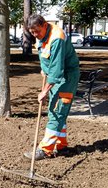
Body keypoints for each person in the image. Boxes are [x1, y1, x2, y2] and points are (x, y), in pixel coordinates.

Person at [24, 15, 80, 160]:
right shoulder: (41, 35)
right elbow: (45, 54)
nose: (35, 35)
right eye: (32, 33)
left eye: (37, 31)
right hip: (57, 77)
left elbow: (57, 70)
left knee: (57, 112)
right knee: (56, 111)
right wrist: (44, 69)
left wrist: (44, 91)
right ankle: (61, 146)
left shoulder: (57, 38)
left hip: (66, 77)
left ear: (44, 25)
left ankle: (45, 149)